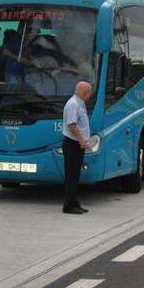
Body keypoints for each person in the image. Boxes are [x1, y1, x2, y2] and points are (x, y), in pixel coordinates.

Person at [61, 81, 92, 215]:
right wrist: (80, 139)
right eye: (89, 93)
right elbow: (71, 125)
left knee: (75, 175)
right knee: (71, 175)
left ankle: (74, 202)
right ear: (84, 92)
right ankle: (68, 206)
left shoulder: (80, 103)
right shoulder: (73, 104)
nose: (90, 96)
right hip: (73, 143)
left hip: (77, 144)